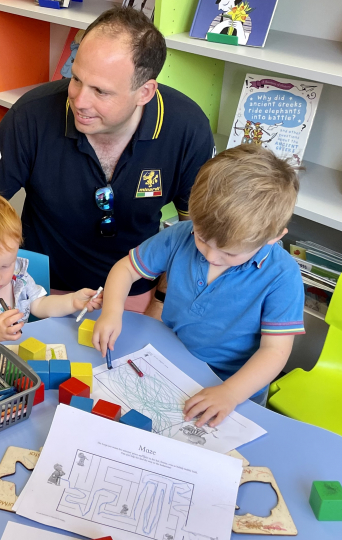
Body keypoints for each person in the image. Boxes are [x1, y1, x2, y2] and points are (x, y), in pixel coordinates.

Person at [0, 7, 214, 318]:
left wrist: (159, 301)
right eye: (76, 79)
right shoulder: (30, 115)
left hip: (136, 291)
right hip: (38, 289)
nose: (79, 100)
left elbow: (194, 233)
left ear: (144, 92)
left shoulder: (188, 130)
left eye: (101, 91)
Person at [92, 145, 305, 427]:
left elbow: (275, 352)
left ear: (274, 237)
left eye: (229, 253)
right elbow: (125, 269)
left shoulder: (282, 276)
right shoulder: (181, 235)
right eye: (202, 238)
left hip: (233, 390)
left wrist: (230, 393)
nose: (211, 256)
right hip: (171, 365)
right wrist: (111, 311)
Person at [0, 191, 102, 351]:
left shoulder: (18, 275)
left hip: (20, 355)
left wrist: (72, 301)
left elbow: (40, 305)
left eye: (6, 265)